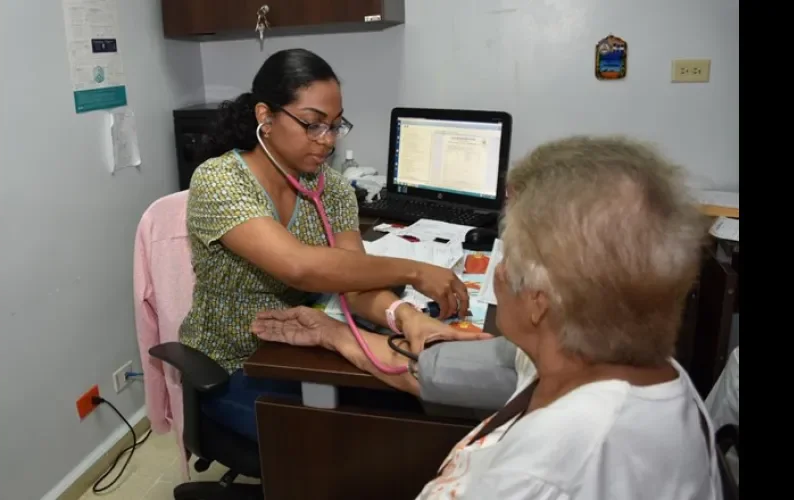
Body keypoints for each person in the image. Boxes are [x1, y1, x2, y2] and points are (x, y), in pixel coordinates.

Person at [252, 135, 724, 499]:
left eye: (508, 254)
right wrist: (336, 335)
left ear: (541, 299)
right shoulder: (604, 360)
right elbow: (431, 370)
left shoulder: (546, 473)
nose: (497, 272)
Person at [178, 48, 487, 443]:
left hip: (308, 349)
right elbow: (299, 267)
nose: (327, 141)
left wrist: (407, 317)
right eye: (312, 124)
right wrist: (416, 271)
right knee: (351, 441)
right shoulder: (219, 181)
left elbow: (353, 283)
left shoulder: (332, 188)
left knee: (413, 414)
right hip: (235, 367)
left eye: (335, 126)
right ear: (265, 117)